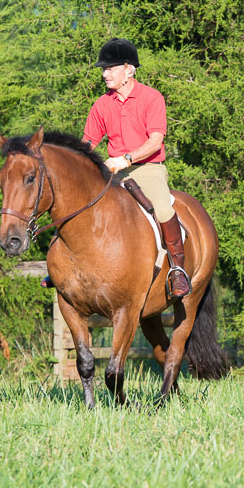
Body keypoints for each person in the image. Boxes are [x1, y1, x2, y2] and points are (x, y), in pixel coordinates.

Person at [82, 38, 191, 298]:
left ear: (129, 69)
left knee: (164, 208)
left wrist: (126, 159)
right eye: (103, 69)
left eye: (110, 68)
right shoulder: (101, 104)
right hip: (113, 171)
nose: (104, 73)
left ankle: (178, 270)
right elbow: (87, 143)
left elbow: (155, 141)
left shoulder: (152, 98)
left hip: (147, 168)